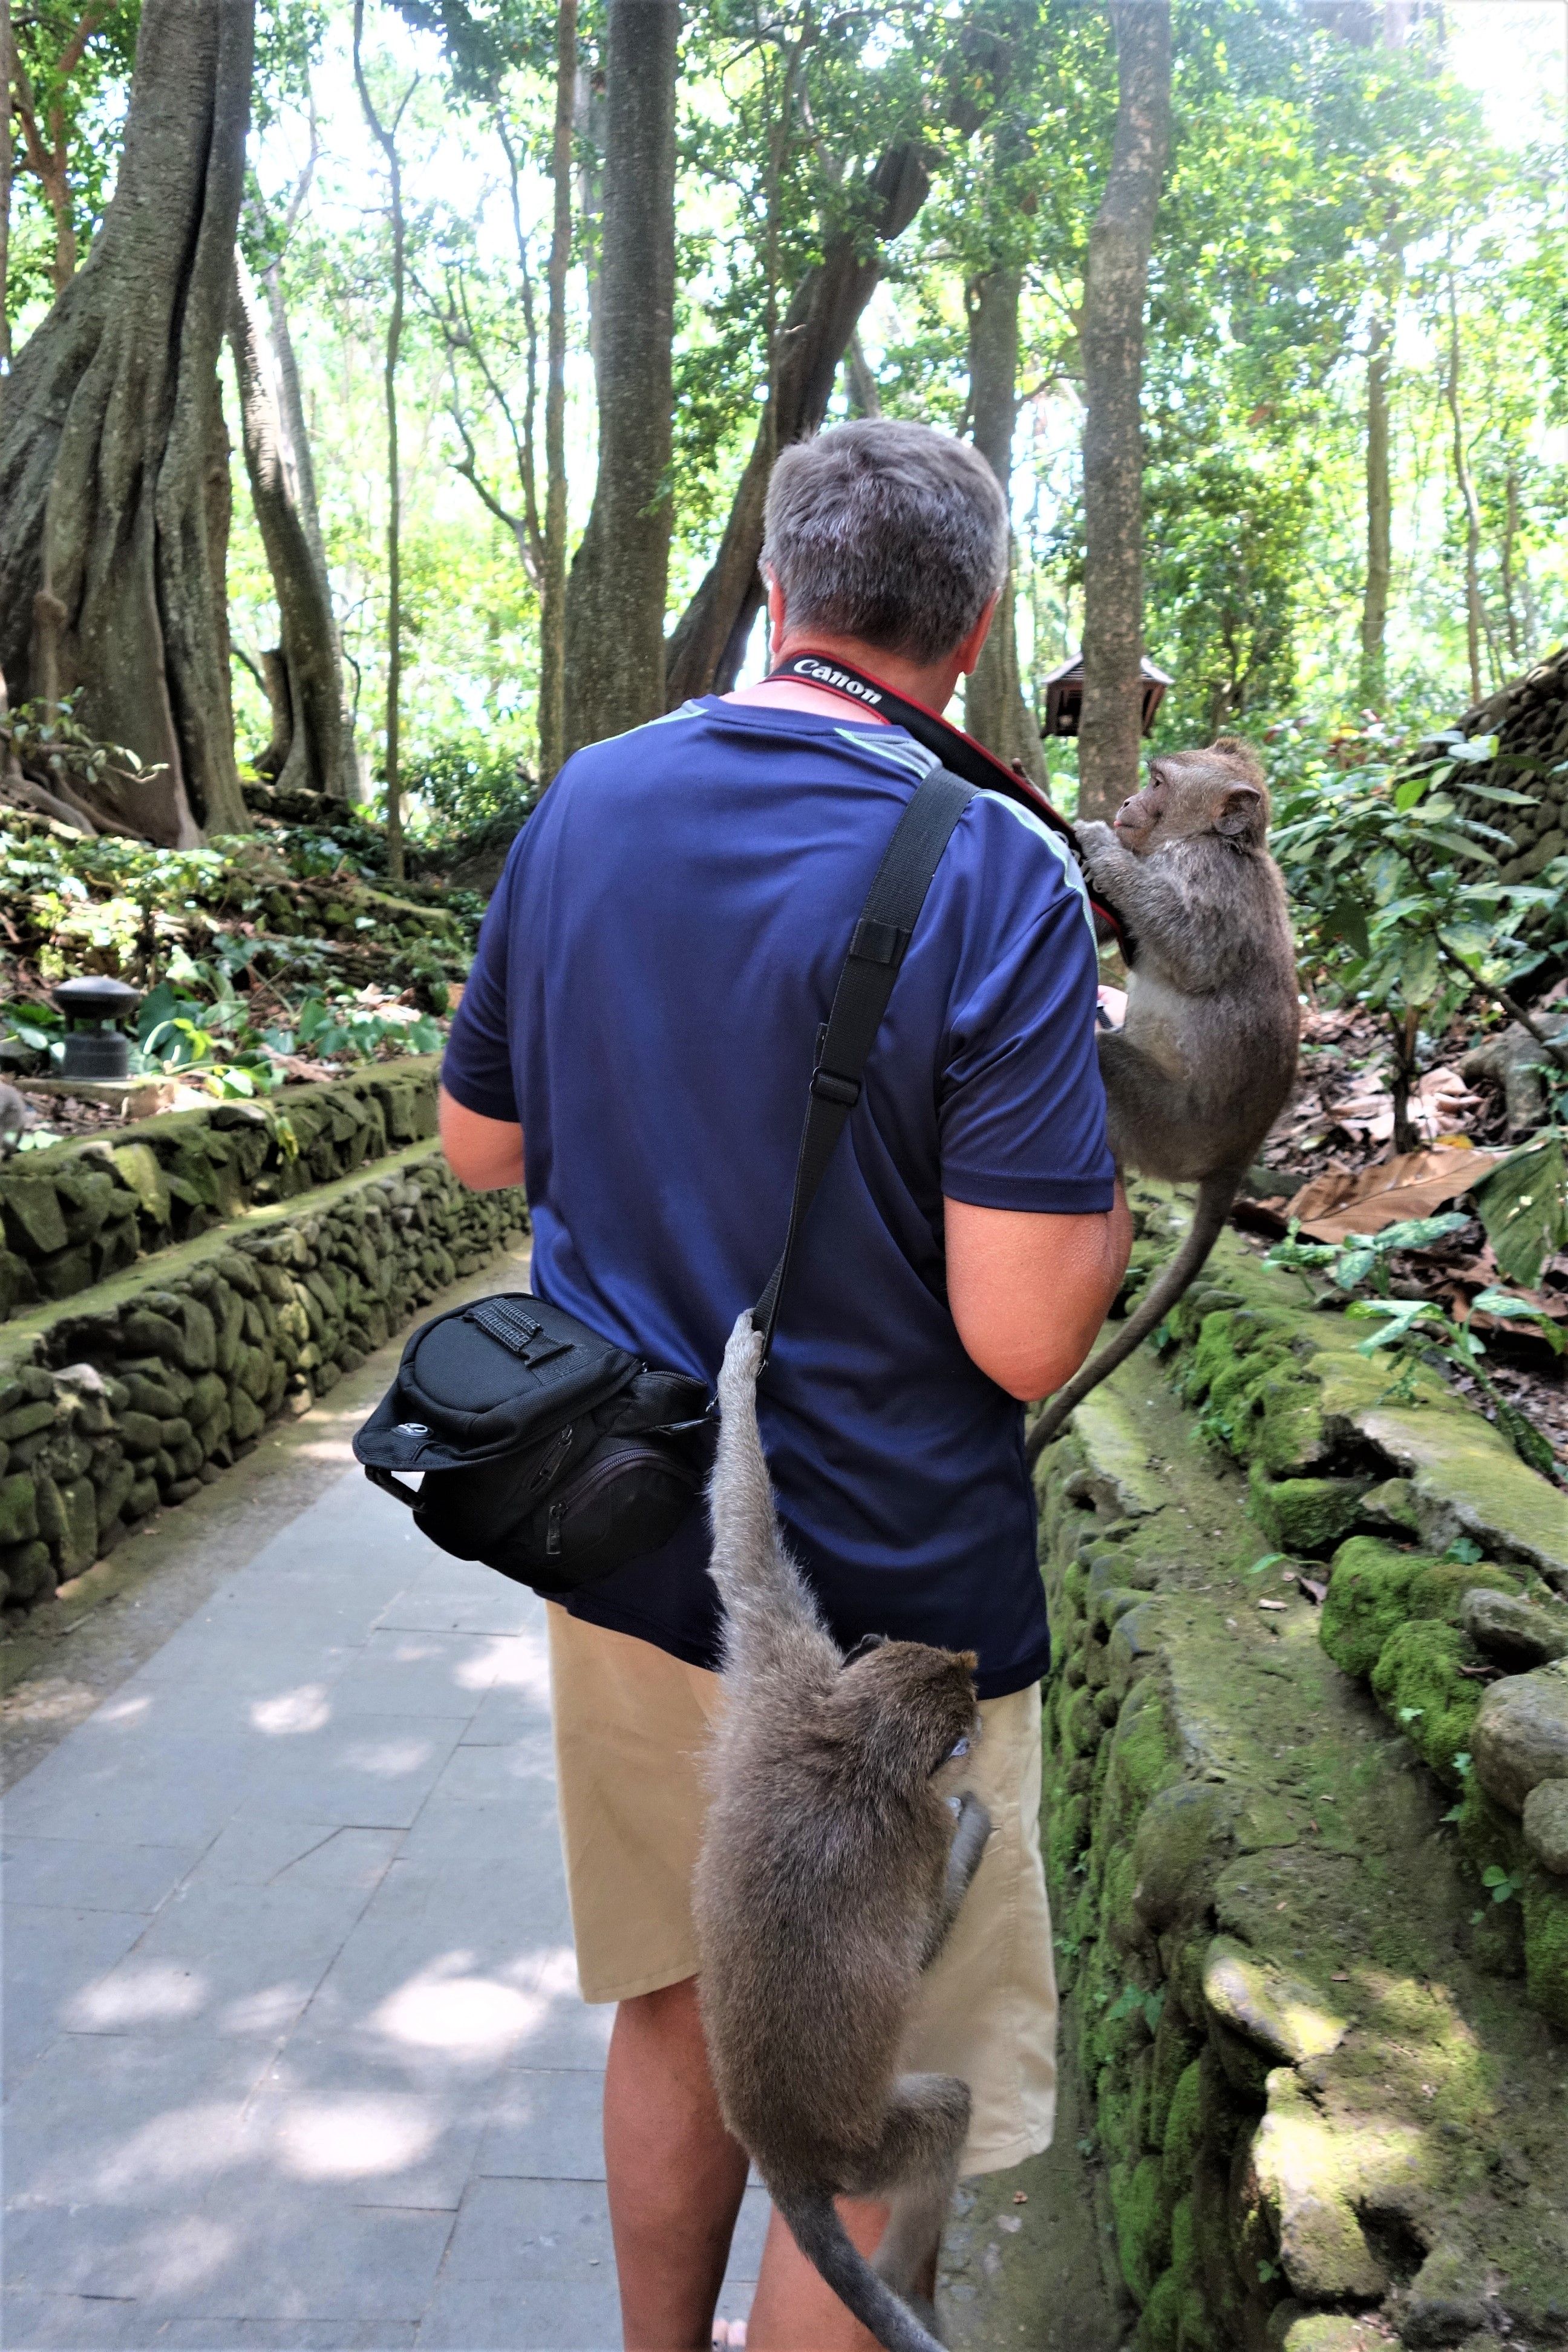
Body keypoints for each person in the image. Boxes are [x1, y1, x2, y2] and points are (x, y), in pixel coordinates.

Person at [439, 417, 1134, 2352]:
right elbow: (1025, 1332)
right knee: (862, 2099)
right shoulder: (990, 861)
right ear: (976, 631)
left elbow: (476, 1148)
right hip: (889, 1630)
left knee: (678, 2002)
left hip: (641, 1549)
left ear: (774, 593)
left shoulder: (590, 802)